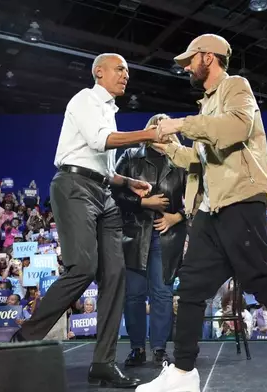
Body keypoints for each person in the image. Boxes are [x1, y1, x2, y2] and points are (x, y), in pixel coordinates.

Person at [139, 34, 267, 392]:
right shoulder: (206, 106)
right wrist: (169, 147)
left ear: (208, 57)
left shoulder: (235, 86)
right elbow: (197, 160)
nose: (186, 67)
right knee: (194, 287)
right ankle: (183, 374)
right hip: (211, 209)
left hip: (241, 202)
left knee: (262, 282)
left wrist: (179, 125)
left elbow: (236, 129)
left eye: (190, 60)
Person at [11, 52, 166, 388]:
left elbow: (104, 167)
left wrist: (128, 182)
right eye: (120, 69)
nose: (126, 75)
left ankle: (103, 363)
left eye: (127, 71)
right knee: (82, 267)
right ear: (99, 72)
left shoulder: (109, 110)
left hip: (103, 192)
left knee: (116, 275)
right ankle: (25, 338)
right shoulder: (85, 99)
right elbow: (99, 141)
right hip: (73, 187)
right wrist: (149, 134)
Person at [114, 113, 187, 367]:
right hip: (134, 236)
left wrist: (176, 217)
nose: (162, 132)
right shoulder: (130, 157)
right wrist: (143, 202)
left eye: (166, 128)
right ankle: (136, 348)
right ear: (149, 130)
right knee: (133, 296)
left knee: (162, 295)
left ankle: (159, 349)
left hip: (167, 236)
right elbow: (113, 193)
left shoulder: (182, 159)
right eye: (157, 127)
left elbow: (197, 196)